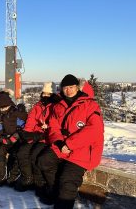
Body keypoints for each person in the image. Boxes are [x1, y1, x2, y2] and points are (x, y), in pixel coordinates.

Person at [37, 74, 104, 208]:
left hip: (83, 150)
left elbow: (95, 129)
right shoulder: (59, 106)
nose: (68, 90)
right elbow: (53, 126)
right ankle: (54, 192)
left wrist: (69, 144)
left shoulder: (90, 105)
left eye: (71, 87)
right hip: (62, 147)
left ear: (77, 87)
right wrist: (60, 142)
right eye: (65, 87)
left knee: (67, 182)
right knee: (43, 161)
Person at [15, 82, 59, 193]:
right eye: (44, 93)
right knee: (22, 152)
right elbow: (31, 121)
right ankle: (28, 178)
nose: (45, 96)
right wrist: (27, 133)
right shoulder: (38, 106)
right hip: (35, 135)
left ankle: (40, 183)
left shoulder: (56, 107)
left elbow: (57, 124)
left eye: (48, 94)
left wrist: (47, 128)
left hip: (47, 137)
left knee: (34, 155)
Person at [0, 92, 28, 187]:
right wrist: (1, 138)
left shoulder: (16, 114)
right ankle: (0, 177)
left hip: (17, 140)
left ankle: (13, 176)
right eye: (1, 108)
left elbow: (24, 128)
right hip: (5, 139)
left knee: (16, 154)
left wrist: (14, 137)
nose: (3, 109)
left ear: (10, 105)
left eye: (5, 107)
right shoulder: (0, 116)